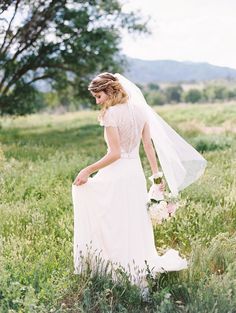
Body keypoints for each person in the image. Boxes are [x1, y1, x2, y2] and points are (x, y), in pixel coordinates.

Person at [72, 72, 207, 287]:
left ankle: (115, 265)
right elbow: (148, 146)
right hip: (134, 174)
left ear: (109, 91)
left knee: (108, 214)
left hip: (117, 172)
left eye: (98, 96)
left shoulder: (111, 115)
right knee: (132, 219)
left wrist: (87, 170)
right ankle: (135, 264)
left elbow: (115, 153)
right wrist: (156, 177)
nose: (97, 102)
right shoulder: (141, 110)